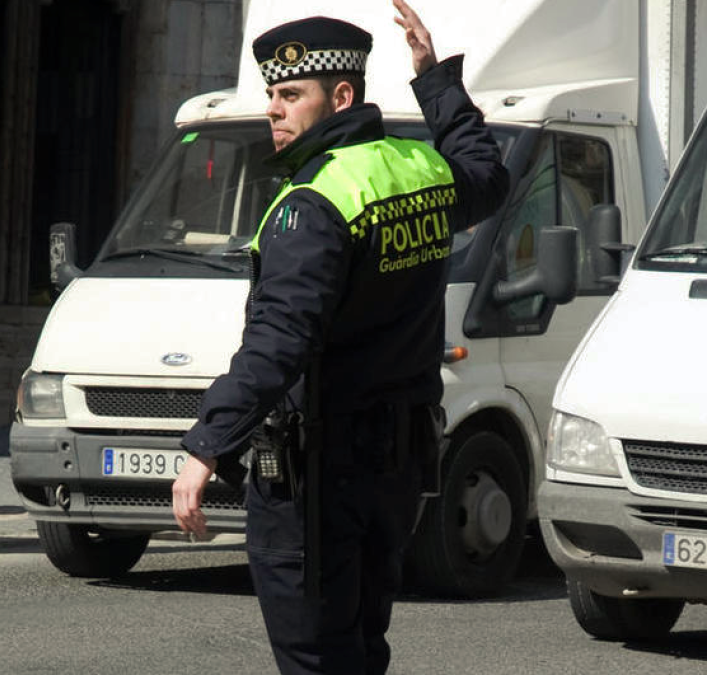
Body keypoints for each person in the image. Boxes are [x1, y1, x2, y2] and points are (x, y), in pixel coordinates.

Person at [171, 1, 508, 673]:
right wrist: (435, 79)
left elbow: (279, 339)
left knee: (317, 658)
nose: (274, 108)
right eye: (272, 93)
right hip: (396, 470)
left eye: (291, 94)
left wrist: (208, 444)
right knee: (362, 649)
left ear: (342, 96)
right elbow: (487, 174)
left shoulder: (314, 203)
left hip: (318, 479)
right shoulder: (417, 170)